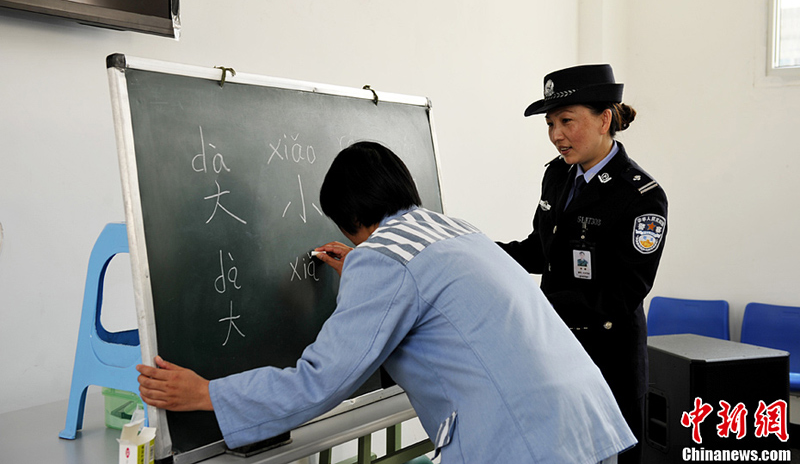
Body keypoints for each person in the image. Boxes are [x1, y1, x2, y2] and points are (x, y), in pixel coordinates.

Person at [138, 141, 636, 463]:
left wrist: (207, 395)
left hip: (525, 445)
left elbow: (321, 381)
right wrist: (360, 265)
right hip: (585, 423)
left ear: (346, 217)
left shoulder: (382, 261)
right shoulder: (452, 228)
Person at [497, 64, 668, 464]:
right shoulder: (558, 177)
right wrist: (478, 252)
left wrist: (538, 307)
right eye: (551, 123)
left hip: (608, 361)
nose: (556, 135)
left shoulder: (640, 196)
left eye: (567, 121)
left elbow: (624, 292)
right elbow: (540, 251)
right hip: (555, 350)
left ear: (604, 119)